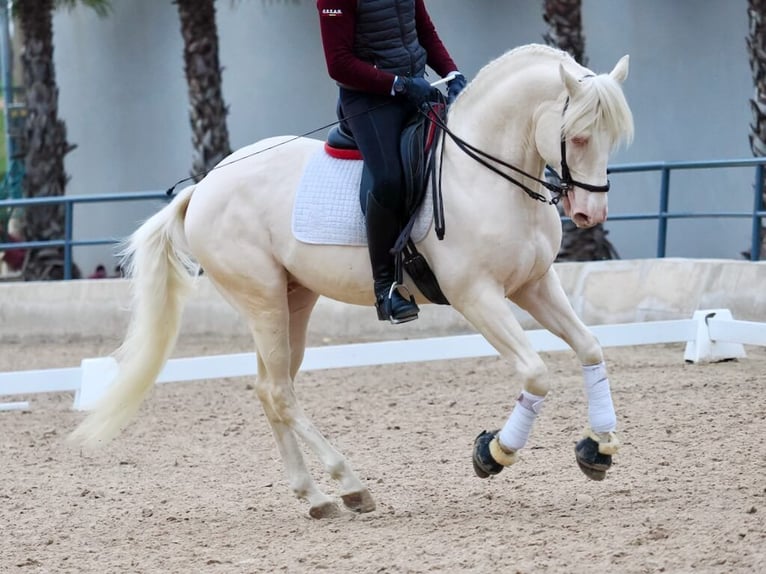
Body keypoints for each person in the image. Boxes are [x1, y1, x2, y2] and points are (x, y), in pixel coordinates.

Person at [318, 0, 467, 324]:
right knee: (388, 180)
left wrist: (452, 72)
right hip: (369, 99)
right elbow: (338, 64)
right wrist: (396, 84)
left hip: (417, 87)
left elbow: (424, 31)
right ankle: (385, 288)